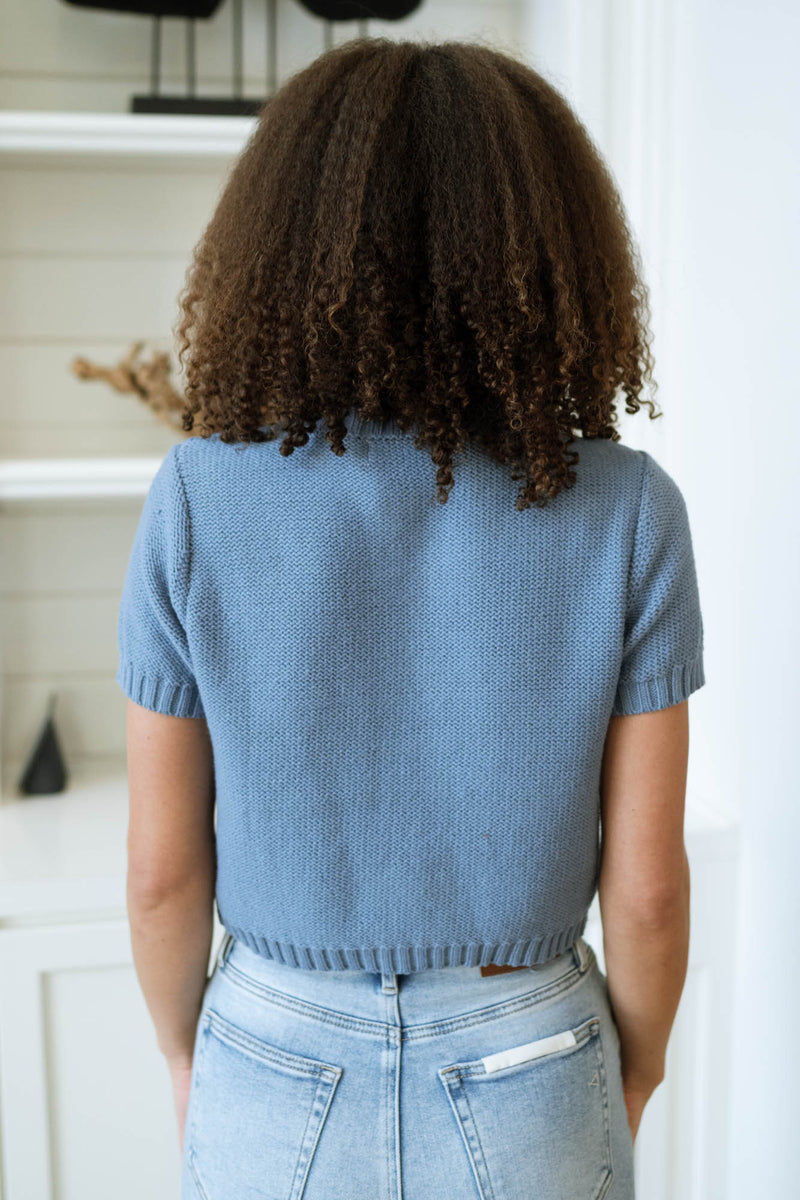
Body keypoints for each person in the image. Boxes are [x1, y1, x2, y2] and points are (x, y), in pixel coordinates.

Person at [117, 37, 705, 1200]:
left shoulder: (195, 498)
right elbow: (646, 890)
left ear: (277, 256)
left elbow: (158, 875)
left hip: (271, 1038)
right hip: (530, 1041)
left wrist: (192, 1050)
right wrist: (623, 1079)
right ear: (553, 257)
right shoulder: (628, 510)